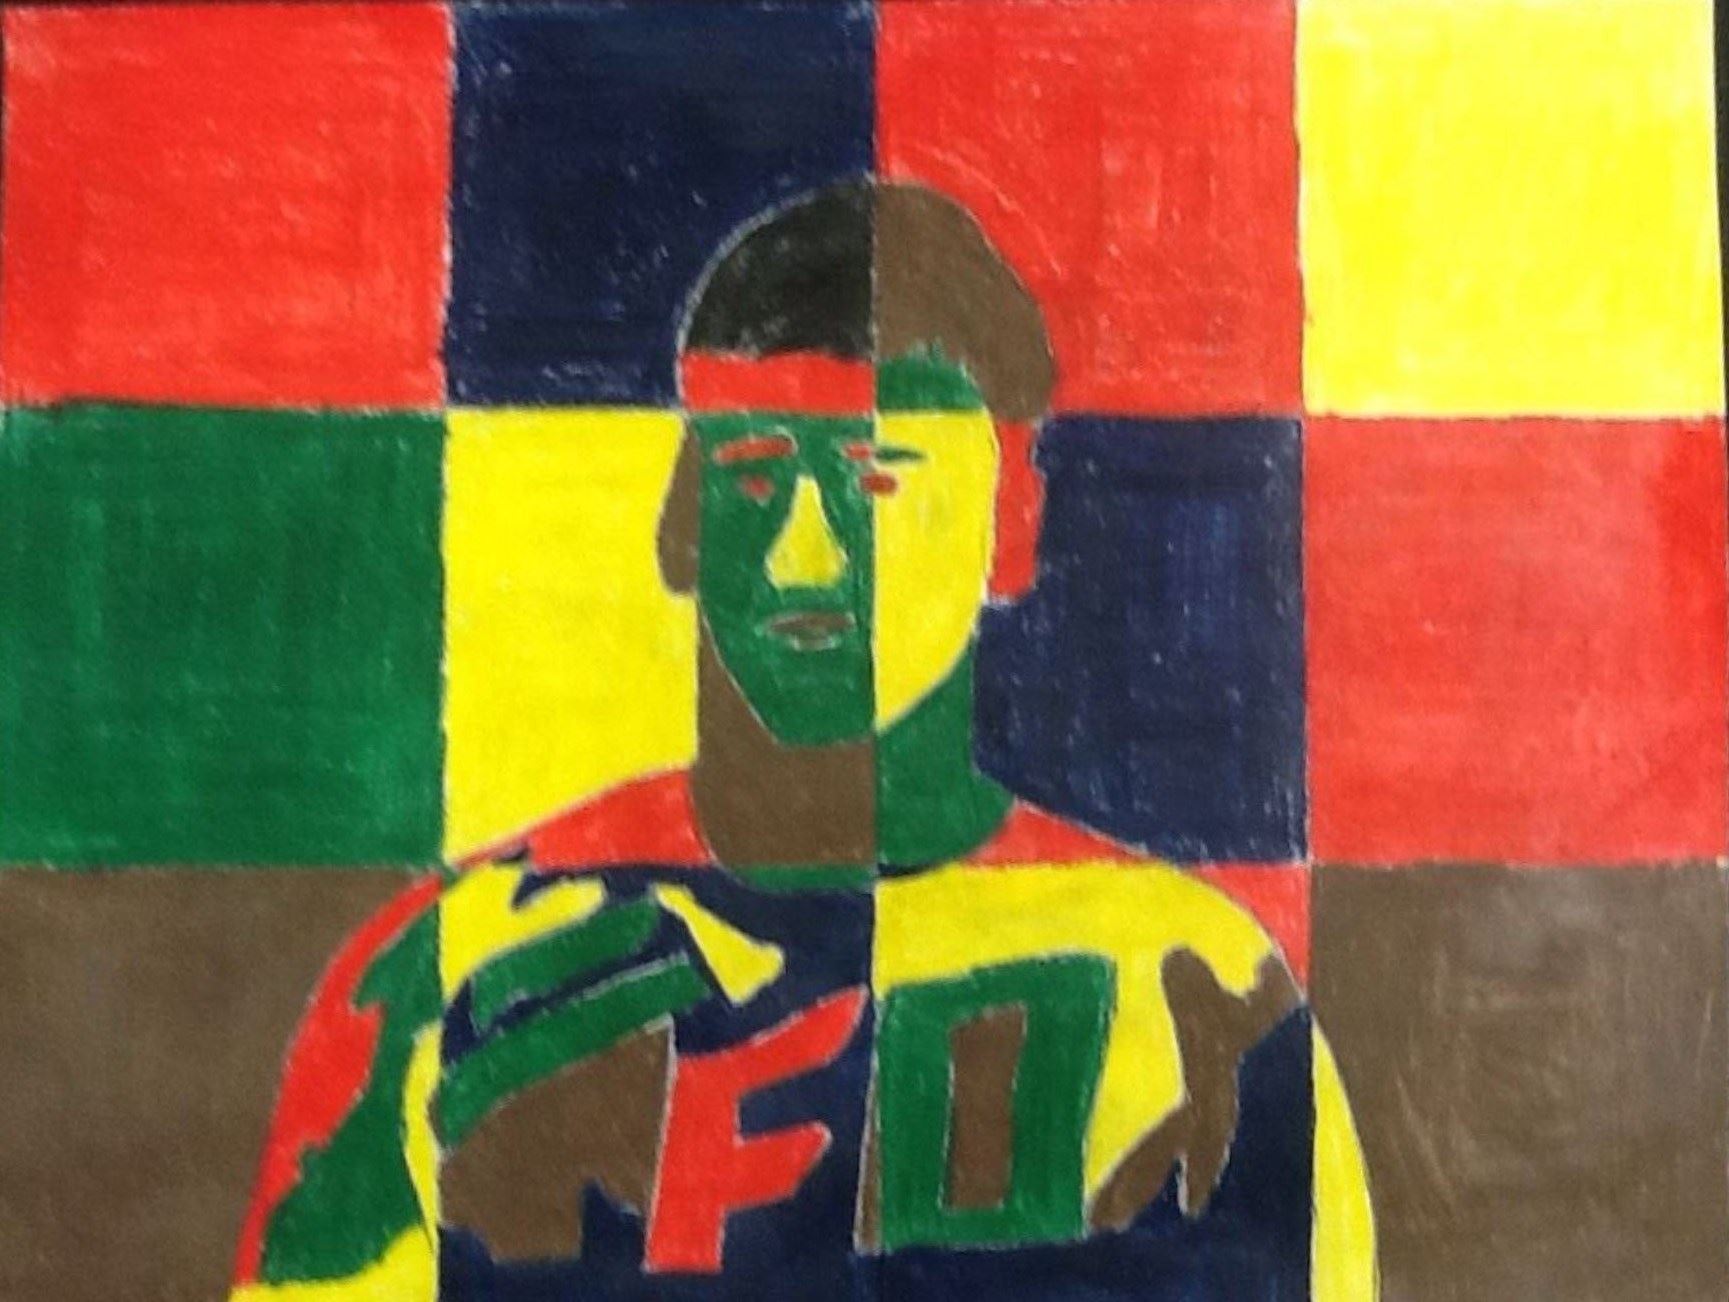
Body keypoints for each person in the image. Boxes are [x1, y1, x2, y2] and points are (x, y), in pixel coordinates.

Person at [228, 180, 1375, 1302]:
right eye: (754, 472)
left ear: (1012, 523)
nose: (807, 552)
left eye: (876, 479)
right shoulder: (450, 976)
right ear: (682, 519)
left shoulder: (1198, 999)